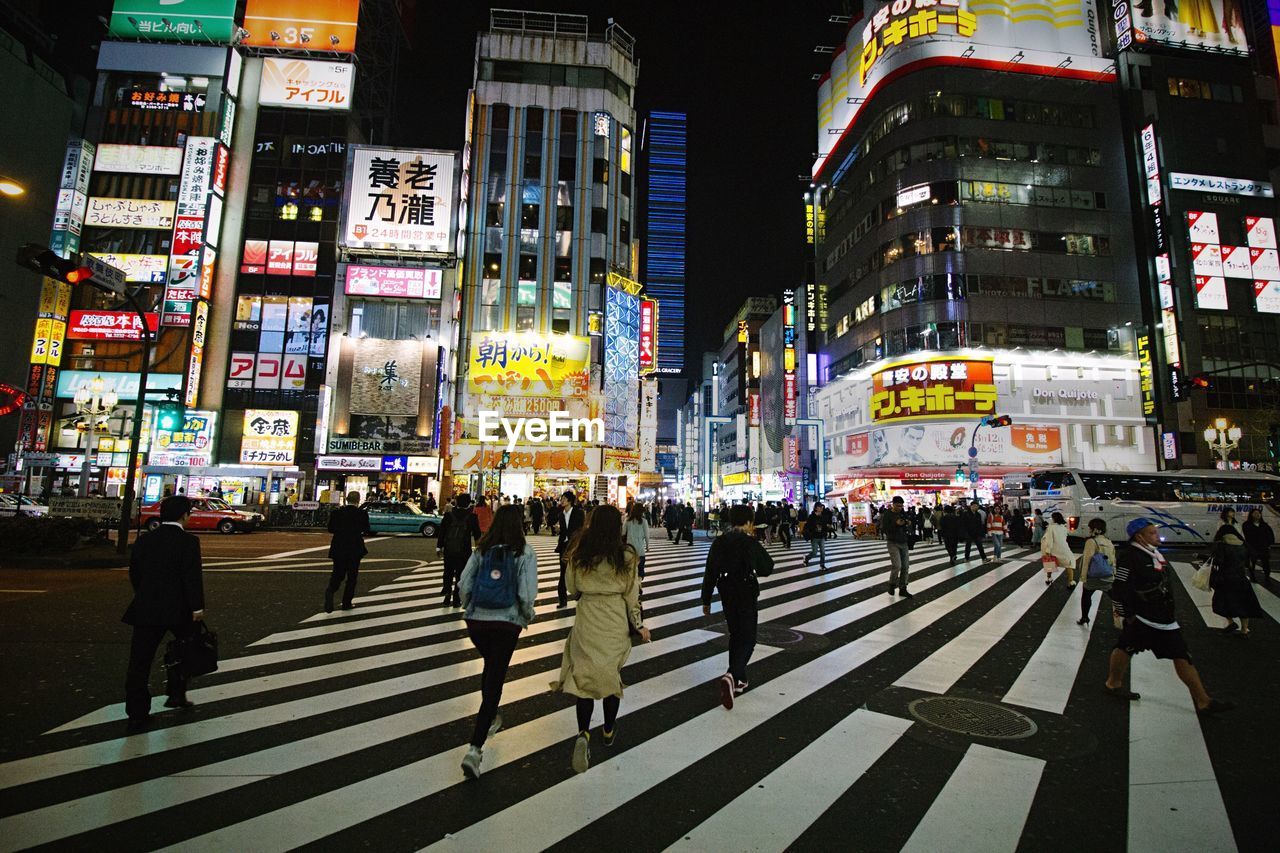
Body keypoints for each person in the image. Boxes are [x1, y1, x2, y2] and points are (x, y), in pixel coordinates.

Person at [551, 504, 650, 773]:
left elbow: (571, 588)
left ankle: (583, 732)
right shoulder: (626, 556)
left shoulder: (580, 553)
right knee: (610, 675)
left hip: (588, 617)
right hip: (614, 618)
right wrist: (640, 626)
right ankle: (607, 729)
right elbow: (632, 596)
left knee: (583, 679)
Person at [1105, 518, 1233, 716]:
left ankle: (1203, 701)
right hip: (1143, 617)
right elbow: (1120, 588)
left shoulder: (1154, 555)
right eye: (1152, 533)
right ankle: (1113, 683)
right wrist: (1127, 615)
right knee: (1128, 648)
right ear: (1139, 536)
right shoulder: (1131, 556)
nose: (1157, 536)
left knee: (1178, 655)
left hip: (1162, 617)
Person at [458, 505, 539, 779]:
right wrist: (526, 615)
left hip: (477, 623)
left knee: (490, 668)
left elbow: (464, 584)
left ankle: (490, 716)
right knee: (495, 680)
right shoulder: (524, 552)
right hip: (507, 622)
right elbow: (527, 593)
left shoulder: (481, 549)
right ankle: (475, 747)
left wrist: (470, 608)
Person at [122, 495, 205, 732]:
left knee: (139, 661)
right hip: (179, 608)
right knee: (187, 650)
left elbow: (135, 574)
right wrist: (197, 607)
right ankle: (177, 693)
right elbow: (192, 577)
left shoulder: (145, 540)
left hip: (147, 607)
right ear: (184, 515)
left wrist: (145, 594)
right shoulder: (188, 542)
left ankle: (136, 713)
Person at [701, 503, 774, 708]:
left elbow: (710, 571)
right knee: (749, 637)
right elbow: (768, 566)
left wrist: (705, 599)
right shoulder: (748, 542)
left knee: (735, 634)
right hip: (746, 591)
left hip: (726, 592)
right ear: (750, 522)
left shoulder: (720, 542)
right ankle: (732, 674)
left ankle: (739, 679)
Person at [1209, 524, 1264, 636]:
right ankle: (1244, 629)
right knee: (1244, 604)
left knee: (1223, 602)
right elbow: (1251, 558)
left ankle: (1231, 622)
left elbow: (1219, 561)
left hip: (1226, 578)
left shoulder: (1221, 545)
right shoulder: (1242, 544)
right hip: (1241, 578)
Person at [325, 491, 372, 613]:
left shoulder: (337, 513)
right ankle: (346, 602)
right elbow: (366, 529)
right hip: (354, 547)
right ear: (358, 500)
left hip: (339, 546)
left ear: (346, 499)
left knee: (337, 573)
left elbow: (331, 529)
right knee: (352, 576)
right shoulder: (361, 514)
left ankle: (330, 591)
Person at [438, 494, 481, 608]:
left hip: (449, 549)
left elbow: (442, 532)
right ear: (468, 503)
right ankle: (457, 599)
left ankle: (447, 595)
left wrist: (439, 547)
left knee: (448, 571)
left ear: (456, 502)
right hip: (464, 551)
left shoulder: (448, 515)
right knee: (461, 574)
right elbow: (477, 535)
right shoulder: (472, 517)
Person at [1077, 518, 1116, 626]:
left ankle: (1085, 617)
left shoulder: (1091, 541)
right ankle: (1125, 616)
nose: (1089, 530)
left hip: (1093, 576)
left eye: (1090, 528)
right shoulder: (1108, 541)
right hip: (1107, 575)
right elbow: (1113, 560)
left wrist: (1083, 577)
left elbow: (1086, 560)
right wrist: (1114, 573)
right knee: (1115, 597)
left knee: (1086, 596)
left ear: (1094, 529)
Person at [556, 490, 586, 608]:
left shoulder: (578, 513)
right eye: (561, 499)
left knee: (579, 572)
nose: (561, 501)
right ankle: (562, 601)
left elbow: (581, 529)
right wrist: (559, 530)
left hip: (576, 546)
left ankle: (581, 597)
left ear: (569, 500)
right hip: (564, 547)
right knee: (563, 572)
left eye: (563, 498)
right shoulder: (561, 514)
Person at [880, 496, 914, 598]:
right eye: (898, 505)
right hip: (892, 542)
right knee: (897, 565)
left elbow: (908, 524)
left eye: (901, 506)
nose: (900, 507)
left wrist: (908, 523)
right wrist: (896, 524)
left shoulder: (902, 513)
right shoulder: (887, 515)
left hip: (904, 541)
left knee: (905, 566)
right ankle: (892, 584)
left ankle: (903, 588)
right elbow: (885, 529)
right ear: (893, 504)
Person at [1041, 511, 1077, 586]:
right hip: (1063, 548)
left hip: (1054, 549)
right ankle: (1070, 582)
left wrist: (1048, 551)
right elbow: (1065, 537)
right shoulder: (1063, 527)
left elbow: (1049, 540)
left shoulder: (1051, 527)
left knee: (1050, 563)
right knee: (1069, 563)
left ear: (1054, 518)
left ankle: (1049, 578)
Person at [1242, 507, 1274, 585]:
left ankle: (1267, 578)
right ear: (1251, 514)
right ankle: (1252, 577)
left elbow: (1270, 535)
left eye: (1259, 513)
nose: (1257, 515)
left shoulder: (1264, 525)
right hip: (1252, 547)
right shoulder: (1246, 524)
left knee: (1266, 564)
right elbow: (1247, 536)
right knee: (1252, 563)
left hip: (1263, 547)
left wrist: (1269, 544)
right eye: (1255, 513)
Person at [624, 502, 650, 579]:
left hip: (630, 549)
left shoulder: (627, 520)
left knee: (630, 571)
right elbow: (646, 535)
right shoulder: (644, 521)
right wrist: (647, 547)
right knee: (640, 571)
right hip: (640, 550)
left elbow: (623, 533)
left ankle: (633, 586)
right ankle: (638, 585)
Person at [803, 502, 830, 569]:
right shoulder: (811, 516)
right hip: (814, 537)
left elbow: (825, 525)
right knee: (814, 552)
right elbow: (807, 526)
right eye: (819, 507)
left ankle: (822, 565)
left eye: (821, 507)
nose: (821, 508)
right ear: (815, 508)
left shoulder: (823, 516)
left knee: (823, 552)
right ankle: (806, 558)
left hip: (821, 536)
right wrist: (809, 534)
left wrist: (827, 527)